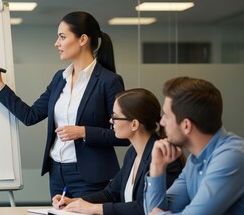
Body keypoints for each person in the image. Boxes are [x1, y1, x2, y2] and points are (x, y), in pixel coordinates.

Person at [0, 11, 130, 198]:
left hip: (90, 178)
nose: (57, 43)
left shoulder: (108, 81)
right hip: (57, 174)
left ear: (82, 39)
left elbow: (124, 135)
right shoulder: (59, 78)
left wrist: (83, 132)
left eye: (62, 37)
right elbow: (30, 116)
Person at [51, 88, 184, 214]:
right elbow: (111, 193)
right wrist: (74, 202)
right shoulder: (132, 153)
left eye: (115, 117)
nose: (111, 121)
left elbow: (147, 207)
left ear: (134, 124)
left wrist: (94, 208)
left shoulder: (166, 157)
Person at [144, 77, 244, 214]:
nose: (162, 122)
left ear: (186, 125)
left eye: (167, 116)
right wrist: (157, 166)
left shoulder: (232, 157)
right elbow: (154, 210)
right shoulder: (195, 159)